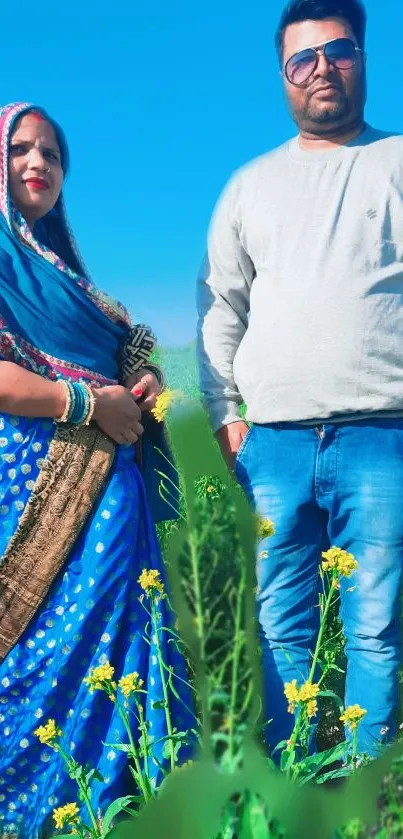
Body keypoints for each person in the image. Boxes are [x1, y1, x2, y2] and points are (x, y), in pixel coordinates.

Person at [197, 0, 403, 760]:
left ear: (362, 57)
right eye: (301, 59)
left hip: (383, 434)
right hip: (273, 440)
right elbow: (221, 303)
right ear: (283, 75)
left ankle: (360, 785)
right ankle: (294, 771)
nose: (321, 68)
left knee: (372, 623)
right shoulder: (249, 185)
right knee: (275, 615)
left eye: (337, 50)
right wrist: (224, 412)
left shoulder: (396, 160)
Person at [0, 102, 194, 838]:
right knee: (35, 652)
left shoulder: (74, 280)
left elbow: (128, 348)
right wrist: (85, 401)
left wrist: (140, 380)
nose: (38, 164)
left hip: (112, 499)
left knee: (118, 642)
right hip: (33, 492)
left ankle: (123, 805)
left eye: (52, 154)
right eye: (20, 149)